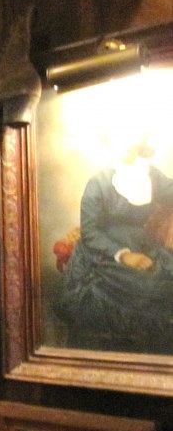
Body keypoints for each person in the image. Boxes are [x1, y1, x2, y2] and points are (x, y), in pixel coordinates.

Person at [58, 130, 173, 352]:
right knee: (146, 291)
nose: (126, 144)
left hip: (145, 246)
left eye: (131, 138)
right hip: (103, 253)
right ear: (110, 144)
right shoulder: (98, 182)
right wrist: (124, 254)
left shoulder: (150, 175)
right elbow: (90, 232)